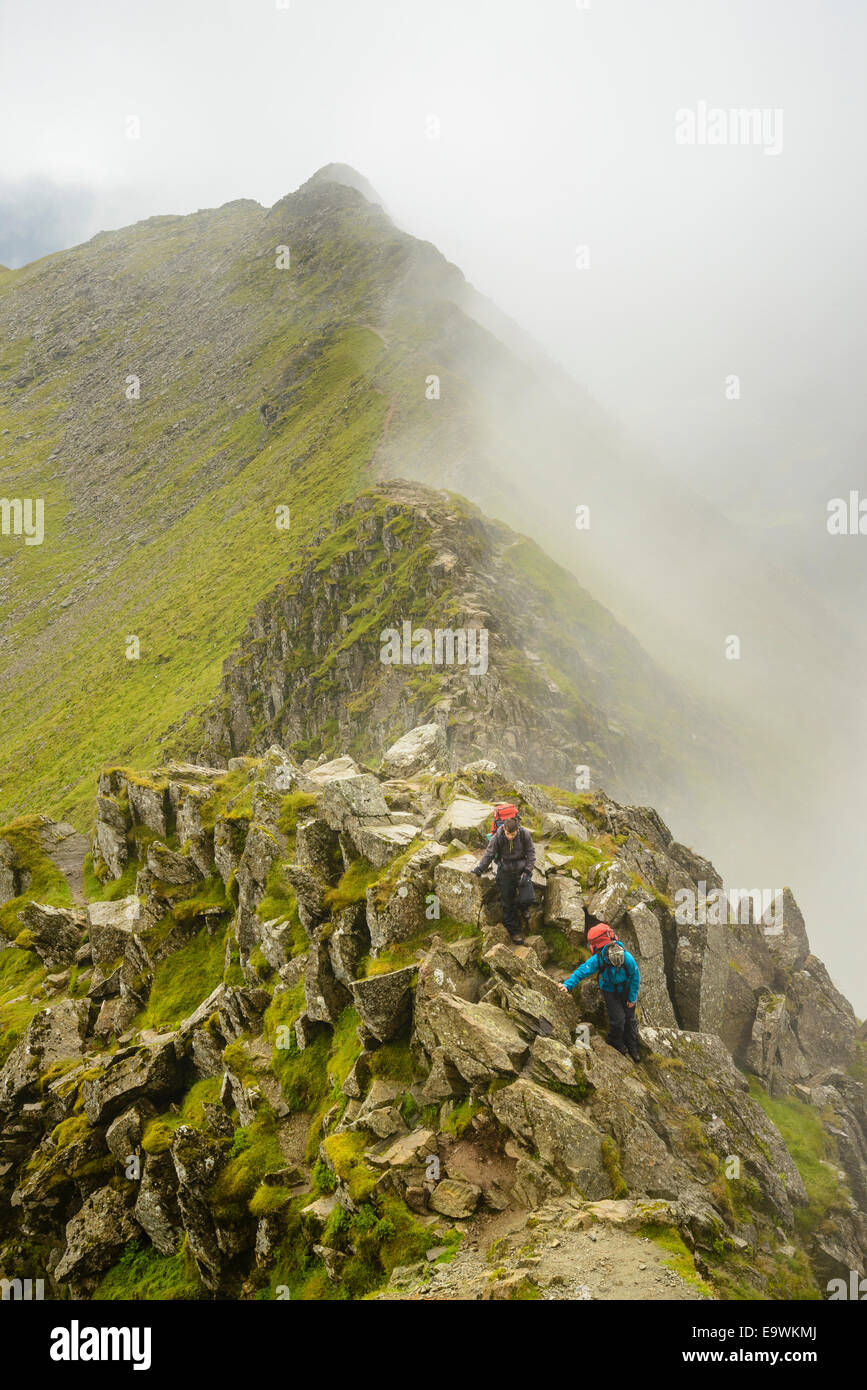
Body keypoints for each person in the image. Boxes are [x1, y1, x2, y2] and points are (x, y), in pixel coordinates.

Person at [559, 924, 642, 1062]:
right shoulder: (598, 959)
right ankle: (615, 1040)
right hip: (609, 991)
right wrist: (567, 984)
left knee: (630, 1020)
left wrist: (632, 999)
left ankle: (633, 1046)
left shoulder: (626, 957)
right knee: (618, 1020)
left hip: (626, 990)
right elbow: (582, 971)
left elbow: (635, 977)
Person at [471, 816, 535, 944]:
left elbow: (531, 852)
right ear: (503, 828)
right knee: (507, 902)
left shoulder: (524, 834)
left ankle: (524, 908)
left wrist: (527, 871)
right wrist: (479, 868)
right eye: (508, 833)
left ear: (517, 829)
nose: (510, 836)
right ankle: (514, 932)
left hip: (521, 870)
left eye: (513, 834)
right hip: (505, 871)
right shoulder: (497, 837)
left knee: (527, 898)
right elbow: (489, 854)